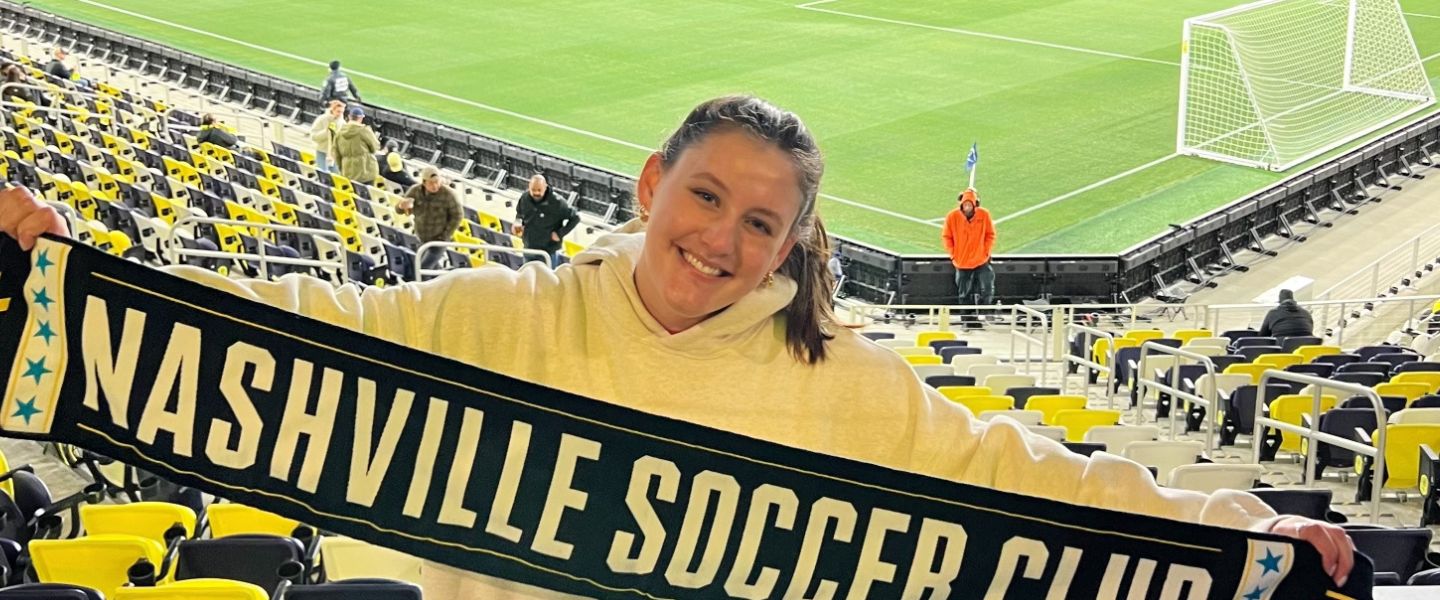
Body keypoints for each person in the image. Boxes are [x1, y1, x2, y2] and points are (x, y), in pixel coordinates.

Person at [0, 95, 1355, 598]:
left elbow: (1020, 479)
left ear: (792, 247)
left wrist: (1218, 525)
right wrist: (77, 275)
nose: (722, 240)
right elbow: (301, 339)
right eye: (705, 198)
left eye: (762, 223)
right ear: (651, 188)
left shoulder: (854, 387)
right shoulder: (497, 313)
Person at [398, 166, 462, 272]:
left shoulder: (448, 194)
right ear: (424, 182)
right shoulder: (415, 191)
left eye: (437, 182)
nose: (435, 185)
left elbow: (457, 215)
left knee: (423, 269)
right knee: (428, 267)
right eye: (431, 183)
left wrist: (444, 235)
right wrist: (401, 206)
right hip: (422, 238)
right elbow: (400, 210)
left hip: (438, 241)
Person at [942, 188, 996, 309]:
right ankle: (967, 319)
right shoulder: (952, 217)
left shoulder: (984, 215)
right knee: (964, 293)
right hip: (962, 261)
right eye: (965, 204)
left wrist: (986, 252)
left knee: (988, 285)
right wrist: (953, 254)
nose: (967, 207)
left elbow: (990, 235)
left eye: (969, 204)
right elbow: (946, 237)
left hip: (981, 259)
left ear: (975, 204)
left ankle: (984, 310)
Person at [513, 174, 578, 266]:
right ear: (529, 187)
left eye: (539, 190)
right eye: (533, 190)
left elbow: (575, 217)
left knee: (547, 279)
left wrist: (560, 233)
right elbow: (519, 214)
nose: (536, 193)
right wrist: (517, 223)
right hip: (528, 248)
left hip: (548, 252)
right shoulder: (525, 198)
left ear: (545, 187)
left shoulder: (557, 202)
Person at [330, 105, 380, 185]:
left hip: (348, 172)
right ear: (361, 118)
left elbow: (336, 154)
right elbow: (375, 147)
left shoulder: (339, 133)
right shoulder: (364, 131)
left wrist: (342, 168)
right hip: (366, 171)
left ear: (349, 117)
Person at [308, 100, 345, 173]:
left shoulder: (342, 123)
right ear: (332, 110)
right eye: (338, 111)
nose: (340, 114)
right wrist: (326, 132)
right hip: (322, 151)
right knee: (322, 174)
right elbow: (313, 136)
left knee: (336, 175)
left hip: (335, 154)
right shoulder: (322, 119)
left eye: (342, 112)